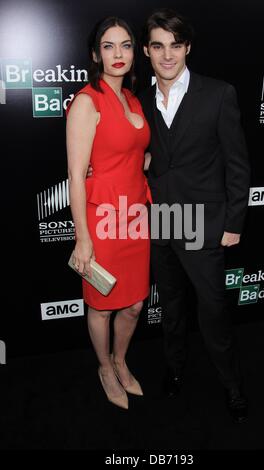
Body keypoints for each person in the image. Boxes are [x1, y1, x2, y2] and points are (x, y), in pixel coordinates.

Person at [138, 9, 251, 423]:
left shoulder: (218, 93)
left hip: (204, 224)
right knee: (170, 307)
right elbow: (144, 153)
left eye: (175, 45)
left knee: (213, 311)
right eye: (157, 45)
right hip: (162, 220)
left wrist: (233, 223)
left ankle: (232, 384)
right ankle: (176, 367)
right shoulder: (140, 99)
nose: (167, 55)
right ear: (148, 51)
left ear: (187, 48)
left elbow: (238, 164)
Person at [66, 17, 151, 410]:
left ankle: (121, 359)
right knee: (101, 305)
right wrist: (83, 238)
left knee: (134, 303)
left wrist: (143, 158)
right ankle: (104, 366)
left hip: (136, 218)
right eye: (109, 46)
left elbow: (130, 151)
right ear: (95, 54)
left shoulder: (132, 99)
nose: (118, 54)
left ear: (135, 52)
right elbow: (75, 175)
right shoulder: (87, 101)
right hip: (101, 223)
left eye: (126, 45)